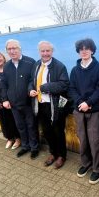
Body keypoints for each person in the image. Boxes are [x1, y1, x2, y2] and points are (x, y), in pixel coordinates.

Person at [68, 38, 99, 184]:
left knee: (95, 141)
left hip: (94, 111)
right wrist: (80, 103)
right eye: (81, 49)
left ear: (92, 50)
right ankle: (86, 163)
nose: (84, 51)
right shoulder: (75, 70)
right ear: (78, 52)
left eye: (87, 48)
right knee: (82, 139)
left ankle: (97, 169)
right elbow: (71, 89)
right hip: (79, 110)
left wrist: (89, 103)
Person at [29, 41, 69, 169]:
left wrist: (45, 87)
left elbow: (64, 85)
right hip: (40, 104)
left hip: (55, 106)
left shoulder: (59, 66)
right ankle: (53, 153)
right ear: (39, 52)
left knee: (58, 132)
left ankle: (62, 156)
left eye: (48, 51)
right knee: (46, 132)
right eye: (42, 51)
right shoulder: (36, 65)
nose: (45, 53)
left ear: (52, 51)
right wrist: (30, 89)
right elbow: (31, 81)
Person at [1, 39, 39, 159]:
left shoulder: (30, 62)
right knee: (20, 126)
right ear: (7, 51)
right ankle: (25, 146)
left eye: (14, 48)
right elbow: (4, 84)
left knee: (31, 126)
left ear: (20, 48)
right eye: (9, 49)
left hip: (28, 102)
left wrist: (29, 91)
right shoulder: (6, 66)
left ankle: (34, 148)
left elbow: (33, 81)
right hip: (14, 104)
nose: (12, 51)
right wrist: (5, 99)